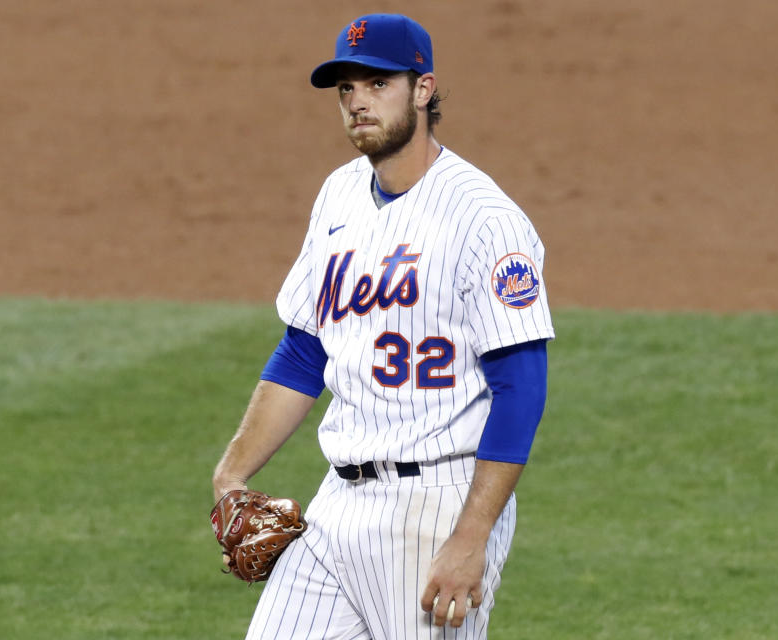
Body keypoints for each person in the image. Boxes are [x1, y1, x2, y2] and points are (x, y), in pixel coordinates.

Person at [212, 13, 555, 639]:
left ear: (422, 89)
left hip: (436, 507)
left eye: (376, 84)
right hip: (337, 503)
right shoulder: (339, 196)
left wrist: (470, 538)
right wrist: (231, 475)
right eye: (346, 88)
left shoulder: (484, 219)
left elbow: (523, 386)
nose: (357, 102)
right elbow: (302, 352)